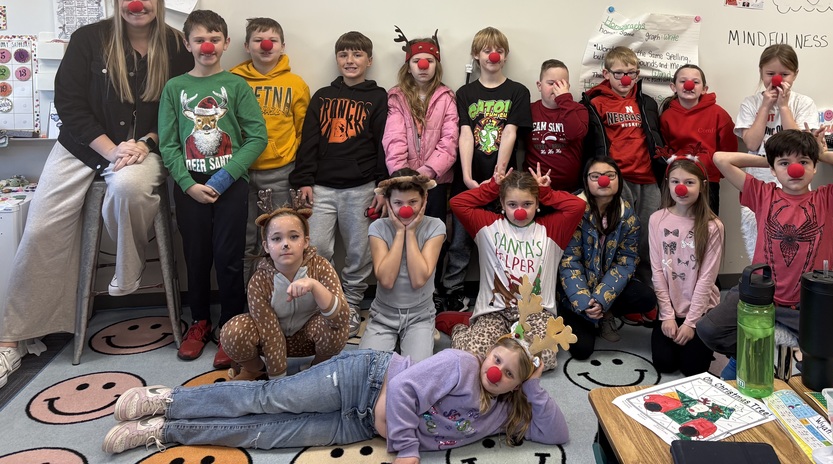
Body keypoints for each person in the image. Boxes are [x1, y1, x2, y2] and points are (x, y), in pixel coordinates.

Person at [0, 0, 191, 385]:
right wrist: (111, 148)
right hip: (82, 147)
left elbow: (181, 106)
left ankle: (128, 277)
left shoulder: (177, 45)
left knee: (127, 188)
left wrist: (146, 143)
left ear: (157, 0)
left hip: (146, 146)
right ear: (117, 0)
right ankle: (13, 337)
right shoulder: (90, 39)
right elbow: (69, 104)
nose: (136, 5)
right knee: (40, 229)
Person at [102, 338, 569, 459]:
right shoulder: (462, 365)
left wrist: (533, 383)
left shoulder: (506, 409)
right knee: (270, 399)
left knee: (270, 436)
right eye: (497, 361)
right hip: (365, 380)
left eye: (508, 374)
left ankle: (164, 432)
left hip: (362, 425)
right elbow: (405, 389)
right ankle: (169, 400)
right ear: (485, 353)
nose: (496, 372)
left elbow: (558, 433)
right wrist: (407, 452)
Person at [699, 129, 833, 371]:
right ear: (773, 169)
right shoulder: (762, 193)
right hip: (758, 295)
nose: (796, 169)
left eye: (804, 162)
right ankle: (743, 356)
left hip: (807, 302)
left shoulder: (831, 198)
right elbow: (721, 158)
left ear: (814, 167)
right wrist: (772, 158)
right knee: (708, 330)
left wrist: (821, 154)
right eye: (785, 164)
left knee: (825, 364)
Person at [159, 9, 269, 366]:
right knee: (196, 256)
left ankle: (231, 325)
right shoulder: (175, 88)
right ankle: (200, 322)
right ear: (188, 44)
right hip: (190, 187)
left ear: (225, 43)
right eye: (199, 39)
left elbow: (257, 137)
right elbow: (168, 143)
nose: (207, 45)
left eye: (215, 38)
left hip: (230, 186)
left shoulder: (236, 86)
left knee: (229, 258)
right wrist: (188, 184)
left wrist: (224, 178)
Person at [290, 31, 388, 337]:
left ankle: (352, 306)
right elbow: (309, 140)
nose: (350, 60)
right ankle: (326, 305)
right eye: (344, 54)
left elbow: (384, 143)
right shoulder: (322, 96)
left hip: (361, 188)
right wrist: (304, 179)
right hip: (322, 188)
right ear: (337, 59)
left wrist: (382, 184)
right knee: (317, 249)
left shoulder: (378, 97)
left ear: (369, 61)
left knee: (360, 253)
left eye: (357, 55)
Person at [439, 166, 585, 371]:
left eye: (527, 203)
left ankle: (509, 340)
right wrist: (493, 187)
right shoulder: (487, 225)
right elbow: (457, 203)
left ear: (537, 204)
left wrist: (546, 193)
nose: (520, 211)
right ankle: (460, 327)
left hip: (535, 312)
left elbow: (577, 206)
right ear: (502, 204)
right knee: (474, 358)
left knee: (541, 360)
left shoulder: (552, 229)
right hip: (495, 309)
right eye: (512, 204)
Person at [447, 26, 532, 312]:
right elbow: (466, 134)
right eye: (486, 50)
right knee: (460, 242)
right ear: (476, 55)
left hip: (505, 182)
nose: (493, 55)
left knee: (501, 244)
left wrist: (499, 176)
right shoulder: (465, 93)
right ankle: (453, 292)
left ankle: (500, 295)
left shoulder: (518, 91)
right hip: (468, 181)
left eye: (498, 50)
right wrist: (469, 177)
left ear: (505, 56)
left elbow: (510, 133)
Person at [218, 202, 349, 381]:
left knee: (337, 329)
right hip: (269, 339)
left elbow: (341, 318)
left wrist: (314, 285)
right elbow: (270, 334)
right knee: (232, 331)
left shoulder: (321, 267)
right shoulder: (259, 281)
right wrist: (278, 382)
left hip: (307, 338)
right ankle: (256, 369)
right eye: (277, 239)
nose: (285, 244)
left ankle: (318, 368)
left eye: (294, 237)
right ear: (266, 246)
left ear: (306, 242)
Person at [382, 29, 458, 313]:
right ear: (408, 65)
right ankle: (400, 294)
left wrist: (425, 175)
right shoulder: (396, 97)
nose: (423, 66)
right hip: (401, 184)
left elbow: (449, 142)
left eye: (429, 60)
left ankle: (432, 290)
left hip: (433, 184)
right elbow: (393, 138)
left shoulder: (447, 97)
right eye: (417, 61)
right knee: (399, 236)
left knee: (433, 237)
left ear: (437, 64)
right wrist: (403, 177)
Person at [231, 17, 310, 280]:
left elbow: (303, 131)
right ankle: (245, 297)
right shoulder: (233, 81)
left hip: (279, 174)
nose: (266, 45)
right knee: (243, 240)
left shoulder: (296, 84)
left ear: (282, 46)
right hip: (239, 173)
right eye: (258, 40)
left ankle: (279, 298)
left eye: (273, 40)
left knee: (279, 240)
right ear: (246, 45)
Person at [557, 157, 658, 359]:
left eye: (610, 175)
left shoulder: (627, 215)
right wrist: (584, 302)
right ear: (586, 181)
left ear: (618, 180)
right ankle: (576, 312)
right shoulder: (573, 211)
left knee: (646, 297)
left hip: (606, 286)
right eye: (596, 176)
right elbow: (569, 262)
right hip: (576, 290)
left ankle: (606, 313)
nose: (603, 181)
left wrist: (602, 299)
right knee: (582, 350)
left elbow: (626, 261)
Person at [582, 46, 664, 280]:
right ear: (606, 74)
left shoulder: (646, 102)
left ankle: (646, 288)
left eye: (632, 72)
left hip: (648, 178)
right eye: (619, 73)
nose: (626, 78)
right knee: (617, 233)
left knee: (648, 234)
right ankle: (615, 286)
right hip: (619, 179)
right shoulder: (595, 102)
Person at [649, 157, 724, 375]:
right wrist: (667, 315)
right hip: (670, 306)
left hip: (700, 310)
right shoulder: (656, 219)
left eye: (690, 182)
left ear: (702, 186)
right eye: (675, 182)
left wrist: (691, 323)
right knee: (665, 364)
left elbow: (707, 279)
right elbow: (657, 271)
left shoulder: (713, 226)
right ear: (668, 184)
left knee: (693, 370)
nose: (681, 188)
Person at [362, 170, 446, 362]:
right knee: (367, 371)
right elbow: (386, 280)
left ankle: (422, 336)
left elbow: (418, 280)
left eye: (413, 203)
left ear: (425, 200)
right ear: (388, 203)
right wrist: (400, 232)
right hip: (382, 316)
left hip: (420, 317)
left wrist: (411, 232)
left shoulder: (436, 226)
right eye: (398, 203)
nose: (405, 210)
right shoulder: (378, 228)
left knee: (415, 376)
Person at [658, 63, 737, 215]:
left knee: (708, 225)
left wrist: (714, 172)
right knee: (679, 223)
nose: (689, 85)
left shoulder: (718, 114)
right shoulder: (666, 117)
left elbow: (729, 149)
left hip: (708, 181)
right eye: (683, 81)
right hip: (678, 180)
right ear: (673, 87)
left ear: (704, 89)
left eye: (695, 82)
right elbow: (665, 149)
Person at [734, 44, 817, 186]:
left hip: (793, 178)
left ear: (795, 74)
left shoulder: (804, 103)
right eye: (770, 74)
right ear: (761, 72)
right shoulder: (750, 103)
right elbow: (752, 144)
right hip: (759, 176)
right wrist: (765, 106)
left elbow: (798, 146)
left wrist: (783, 107)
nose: (777, 80)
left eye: (784, 74)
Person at [524, 59, 588, 192]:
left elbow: (574, 135)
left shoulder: (579, 110)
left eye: (561, 84)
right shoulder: (529, 110)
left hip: (570, 188)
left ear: (568, 87)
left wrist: (564, 99)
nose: (556, 88)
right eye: (551, 83)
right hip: (534, 186)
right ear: (539, 85)